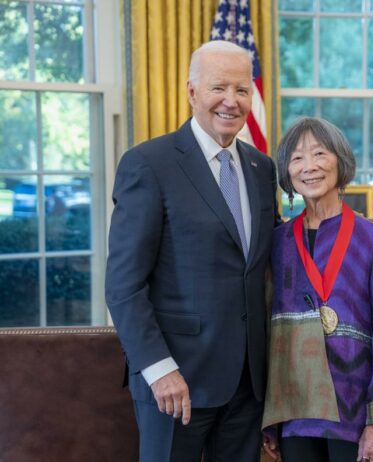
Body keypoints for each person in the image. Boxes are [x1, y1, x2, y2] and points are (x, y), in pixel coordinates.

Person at [105, 40, 279, 462]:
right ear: (192, 92)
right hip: (175, 381)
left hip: (248, 383)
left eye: (242, 90)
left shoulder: (261, 168)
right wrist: (158, 369)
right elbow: (124, 285)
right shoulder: (149, 163)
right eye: (219, 87)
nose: (232, 101)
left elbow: (271, 255)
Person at [261, 117, 373, 462]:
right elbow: (268, 331)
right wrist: (271, 421)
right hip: (295, 406)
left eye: (319, 154)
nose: (309, 167)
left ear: (340, 161)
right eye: (297, 158)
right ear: (287, 171)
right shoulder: (278, 242)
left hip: (355, 408)